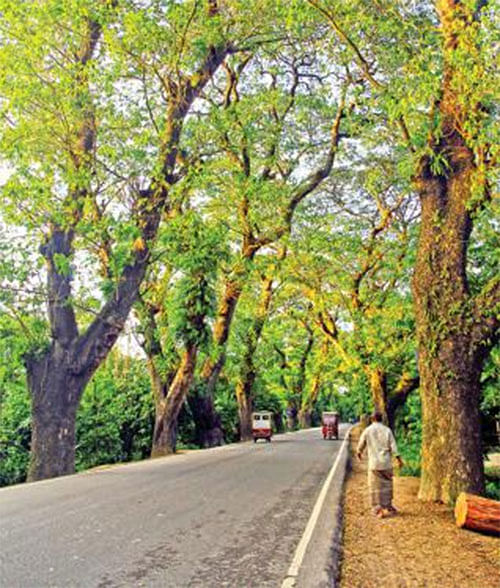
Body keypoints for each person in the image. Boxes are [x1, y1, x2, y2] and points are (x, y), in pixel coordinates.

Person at [356, 412, 403, 518]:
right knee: (387, 485)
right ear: (381, 419)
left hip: (374, 464)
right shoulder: (387, 430)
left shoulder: (367, 430)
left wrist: (359, 452)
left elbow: (361, 444)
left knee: (374, 486)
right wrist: (399, 459)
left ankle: (378, 509)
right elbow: (393, 446)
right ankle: (388, 506)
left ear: (372, 419)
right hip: (386, 463)